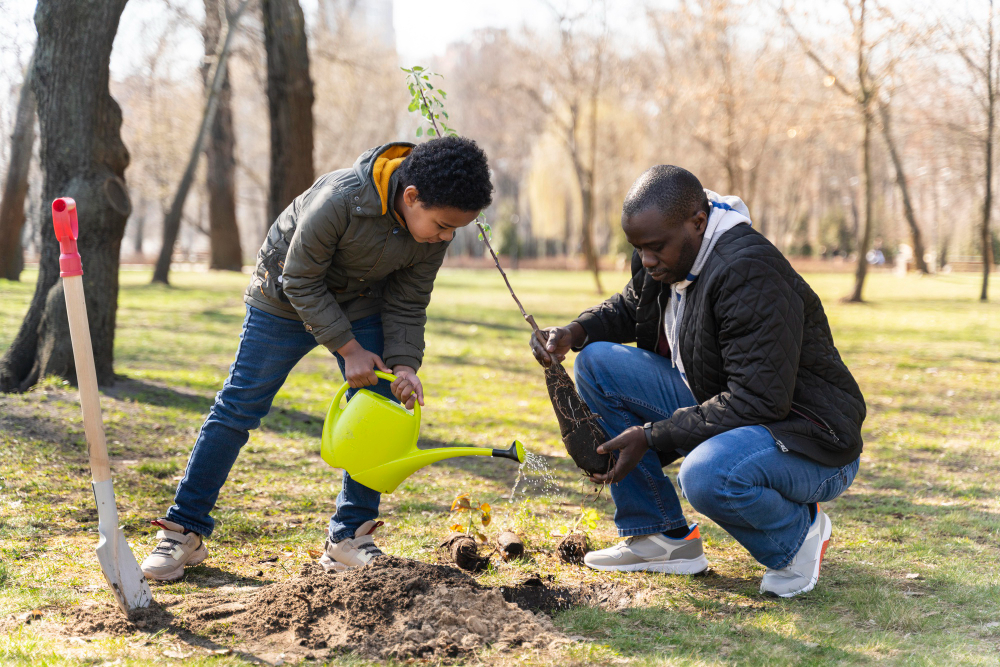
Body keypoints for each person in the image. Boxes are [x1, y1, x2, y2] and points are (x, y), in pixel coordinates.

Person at [141, 137, 494, 581]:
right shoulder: (340, 198)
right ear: (411, 197)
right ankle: (184, 529)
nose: (446, 237)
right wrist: (349, 350)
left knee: (379, 406)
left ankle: (349, 537)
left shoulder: (433, 229)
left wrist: (403, 365)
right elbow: (300, 280)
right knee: (238, 407)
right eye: (443, 226)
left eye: (454, 230)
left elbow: (408, 302)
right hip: (284, 299)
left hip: (361, 302)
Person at [531, 165, 865, 598]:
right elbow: (634, 306)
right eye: (638, 249)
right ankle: (660, 538)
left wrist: (651, 436)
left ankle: (798, 536)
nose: (646, 260)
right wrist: (573, 333)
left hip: (810, 439)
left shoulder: (748, 272)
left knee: (707, 475)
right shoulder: (670, 255)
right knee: (595, 362)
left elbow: (759, 400)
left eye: (654, 249)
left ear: (698, 223)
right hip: (735, 408)